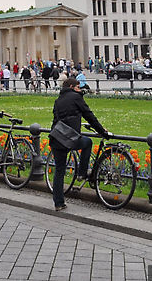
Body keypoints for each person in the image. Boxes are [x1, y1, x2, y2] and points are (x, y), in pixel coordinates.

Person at [50, 77, 109, 211]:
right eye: (78, 87)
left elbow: (57, 119)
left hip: (56, 137)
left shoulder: (58, 100)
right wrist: (102, 131)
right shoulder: (76, 97)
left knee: (59, 171)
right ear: (71, 87)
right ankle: (82, 173)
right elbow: (89, 115)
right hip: (69, 138)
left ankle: (58, 203)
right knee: (87, 142)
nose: (80, 89)